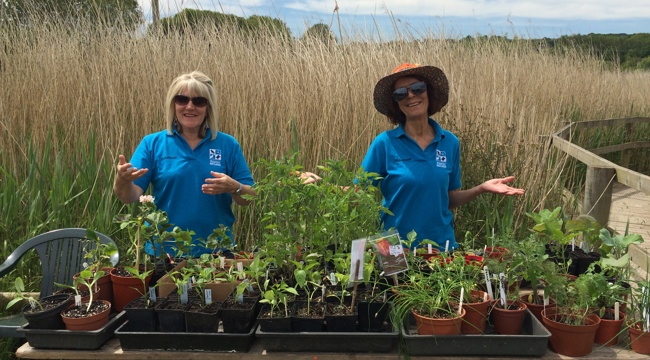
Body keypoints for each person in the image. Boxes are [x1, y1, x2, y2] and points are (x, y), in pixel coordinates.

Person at [359, 62, 524, 251]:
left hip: (442, 247)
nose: (411, 95)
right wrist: (324, 187)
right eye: (401, 93)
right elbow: (357, 192)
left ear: (429, 92)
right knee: (395, 282)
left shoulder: (449, 142)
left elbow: (449, 198)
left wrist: (480, 189)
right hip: (395, 250)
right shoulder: (384, 143)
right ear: (395, 103)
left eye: (417, 88)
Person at [113, 71, 255, 257]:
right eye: (182, 100)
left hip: (216, 250)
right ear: (173, 104)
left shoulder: (228, 145)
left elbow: (250, 196)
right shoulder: (153, 144)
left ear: (208, 107)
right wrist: (122, 180)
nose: (190, 107)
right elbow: (128, 197)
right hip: (163, 252)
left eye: (199, 101)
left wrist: (234, 187)